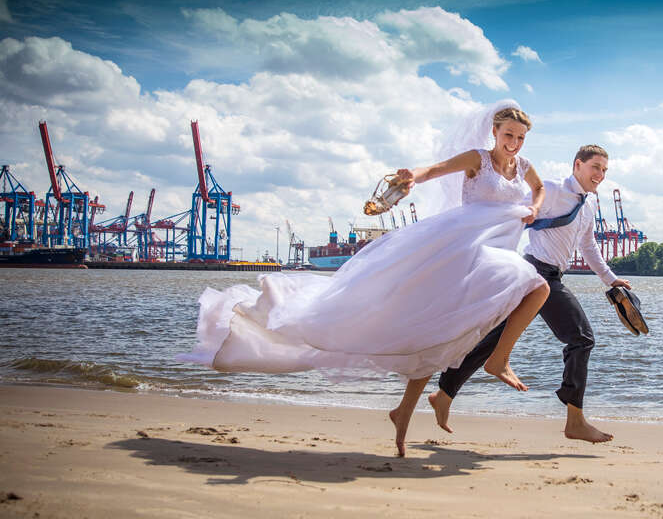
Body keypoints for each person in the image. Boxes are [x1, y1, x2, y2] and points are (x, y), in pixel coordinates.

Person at [179, 100, 549, 456]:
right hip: (463, 248)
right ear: (494, 131)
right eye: (508, 135)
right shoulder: (478, 159)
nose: (514, 143)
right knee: (534, 287)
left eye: (520, 138)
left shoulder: (524, 166)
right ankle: (498, 361)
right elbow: (435, 170)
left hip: (497, 251)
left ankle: (404, 412)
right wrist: (412, 177)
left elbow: (540, 188)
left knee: (439, 333)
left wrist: (534, 207)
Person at [428, 144, 631, 444]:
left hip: (549, 276)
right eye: (595, 167)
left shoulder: (588, 205)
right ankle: (575, 421)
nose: (600, 174)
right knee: (581, 338)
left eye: (604, 170)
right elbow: (513, 214)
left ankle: (443, 394)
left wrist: (610, 280)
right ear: (577, 165)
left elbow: (588, 247)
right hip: (536, 273)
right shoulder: (551, 189)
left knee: (495, 338)